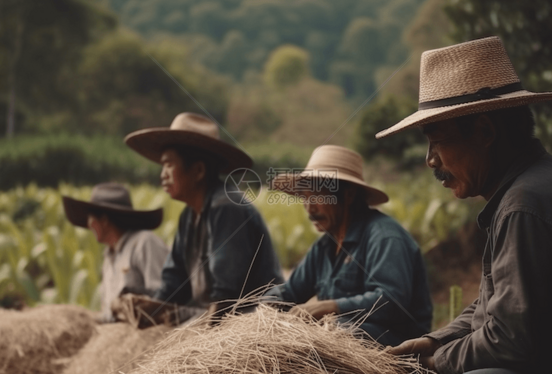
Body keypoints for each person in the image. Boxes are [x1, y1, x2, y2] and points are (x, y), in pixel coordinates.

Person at [376, 36, 552, 374]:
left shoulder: (523, 206)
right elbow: (500, 304)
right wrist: (436, 341)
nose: (431, 160)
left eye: (437, 142)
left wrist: (432, 363)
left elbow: (509, 338)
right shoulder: (533, 187)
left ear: (484, 130)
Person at [123, 112, 284, 322]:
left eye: (169, 164)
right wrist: (149, 309)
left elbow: (226, 300)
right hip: (211, 317)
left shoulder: (226, 208)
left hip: (252, 321)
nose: (163, 174)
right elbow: (174, 284)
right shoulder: (188, 216)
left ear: (198, 170)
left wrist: (168, 314)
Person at [265, 145, 433, 346]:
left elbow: (392, 301)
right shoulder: (324, 247)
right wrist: (263, 309)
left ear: (349, 195)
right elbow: (289, 292)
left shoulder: (384, 237)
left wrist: (332, 306)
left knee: (329, 330)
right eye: (305, 198)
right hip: (342, 341)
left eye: (317, 197)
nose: (310, 208)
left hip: (393, 349)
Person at [62, 182, 169, 323]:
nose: (88, 224)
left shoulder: (144, 243)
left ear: (105, 220)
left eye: (90, 218)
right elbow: (108, 311)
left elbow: (165, 299)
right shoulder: (108, 257)